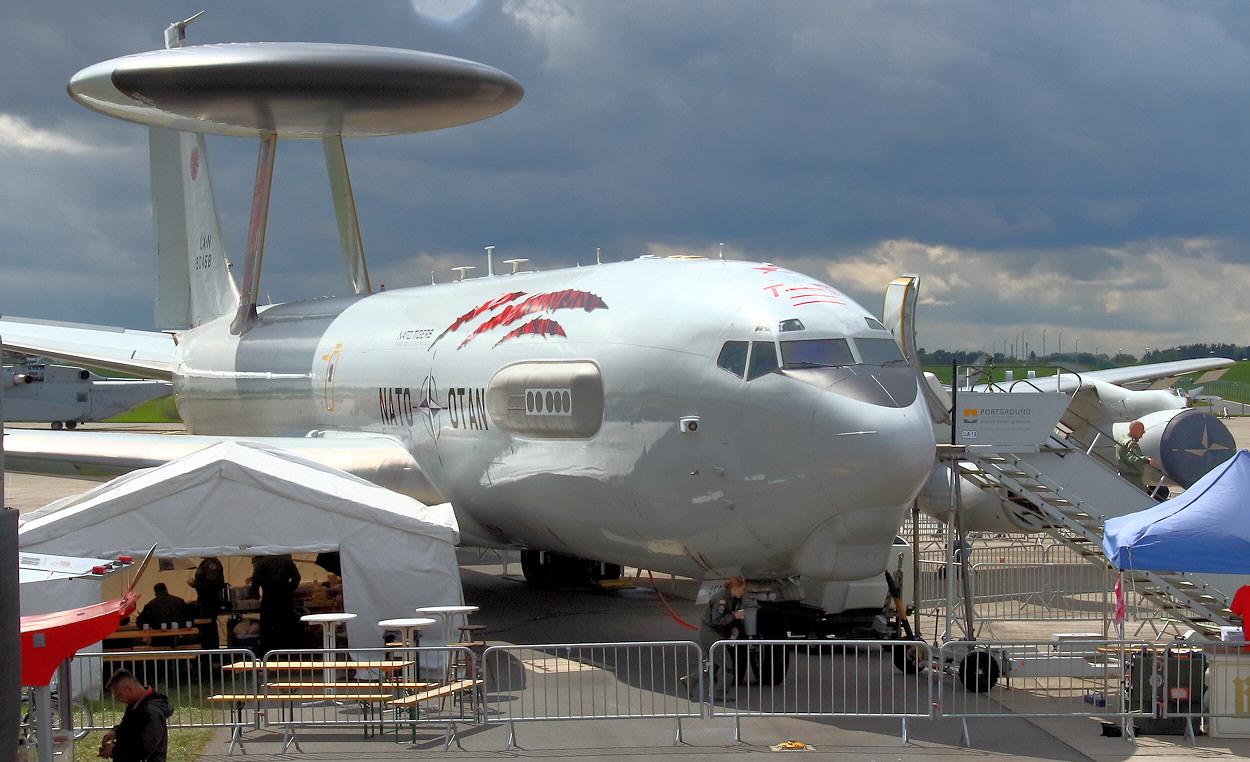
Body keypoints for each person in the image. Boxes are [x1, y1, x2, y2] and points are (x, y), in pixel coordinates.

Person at [98, 668, 173, 761]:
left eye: (118, 694)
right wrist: (116, 732)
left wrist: (114, 751)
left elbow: (143, 750)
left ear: (129, 688)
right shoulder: (136, 706)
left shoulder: (152, 713)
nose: (118, 699)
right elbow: (130, 730)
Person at [699, 576, 748, 695]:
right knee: (727, 665)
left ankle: (690, 680)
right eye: (742, 589)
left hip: (713, 632)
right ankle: (720, 693)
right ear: (735, 588)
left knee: (714, 664)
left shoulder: (729, 598)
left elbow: (724, 617)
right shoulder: (722, 599)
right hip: (710, 632)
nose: (743, 592)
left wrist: (732, 629)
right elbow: (717, 620)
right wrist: (735, 616)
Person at [249, 554, 302, 655]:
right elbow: (297, 577)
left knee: (267, 627)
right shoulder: (287, 560)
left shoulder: (262, 562)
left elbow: (256, 581)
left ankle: (267, 653)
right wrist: (289, 589)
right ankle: (287, 651)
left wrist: (255, 594)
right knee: (285, 625)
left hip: (268, 597)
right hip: (284, 596)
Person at [189, 556, 227, 649]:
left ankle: (212, 653)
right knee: (208, 628)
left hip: (210, 601)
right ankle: (210, 652)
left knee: (209, 629)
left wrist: (196, 584)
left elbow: (211, 584)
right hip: (206, 600)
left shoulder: (212, 563)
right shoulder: (207, 562)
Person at [1116, 420, 1157, 492]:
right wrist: (1147, 459)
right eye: (1141, 429)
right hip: (1133, 479)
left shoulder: (1122, 440)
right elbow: (1132, 458)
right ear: (1133, 429)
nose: (1143, 432)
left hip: (1123, 475)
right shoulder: (1132, 443)